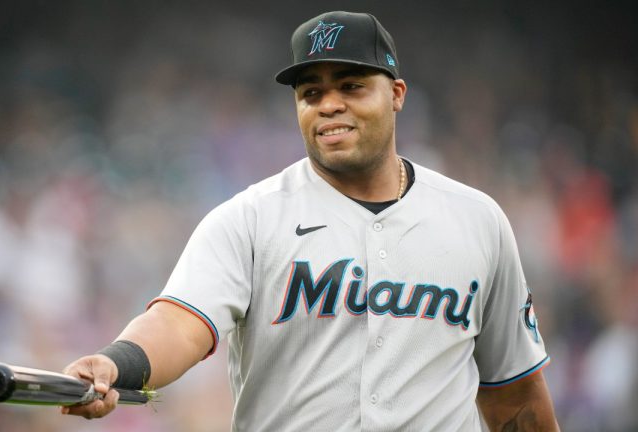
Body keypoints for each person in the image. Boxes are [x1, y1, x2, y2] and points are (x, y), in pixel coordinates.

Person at [62, 11, 559, 431]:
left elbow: (515, 397)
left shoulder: (477, 220)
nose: (329, 104)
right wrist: (117, 363)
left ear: (396, 93)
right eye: (310, 92)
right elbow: (179, 324)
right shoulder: (249, 219)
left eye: (351, 86)